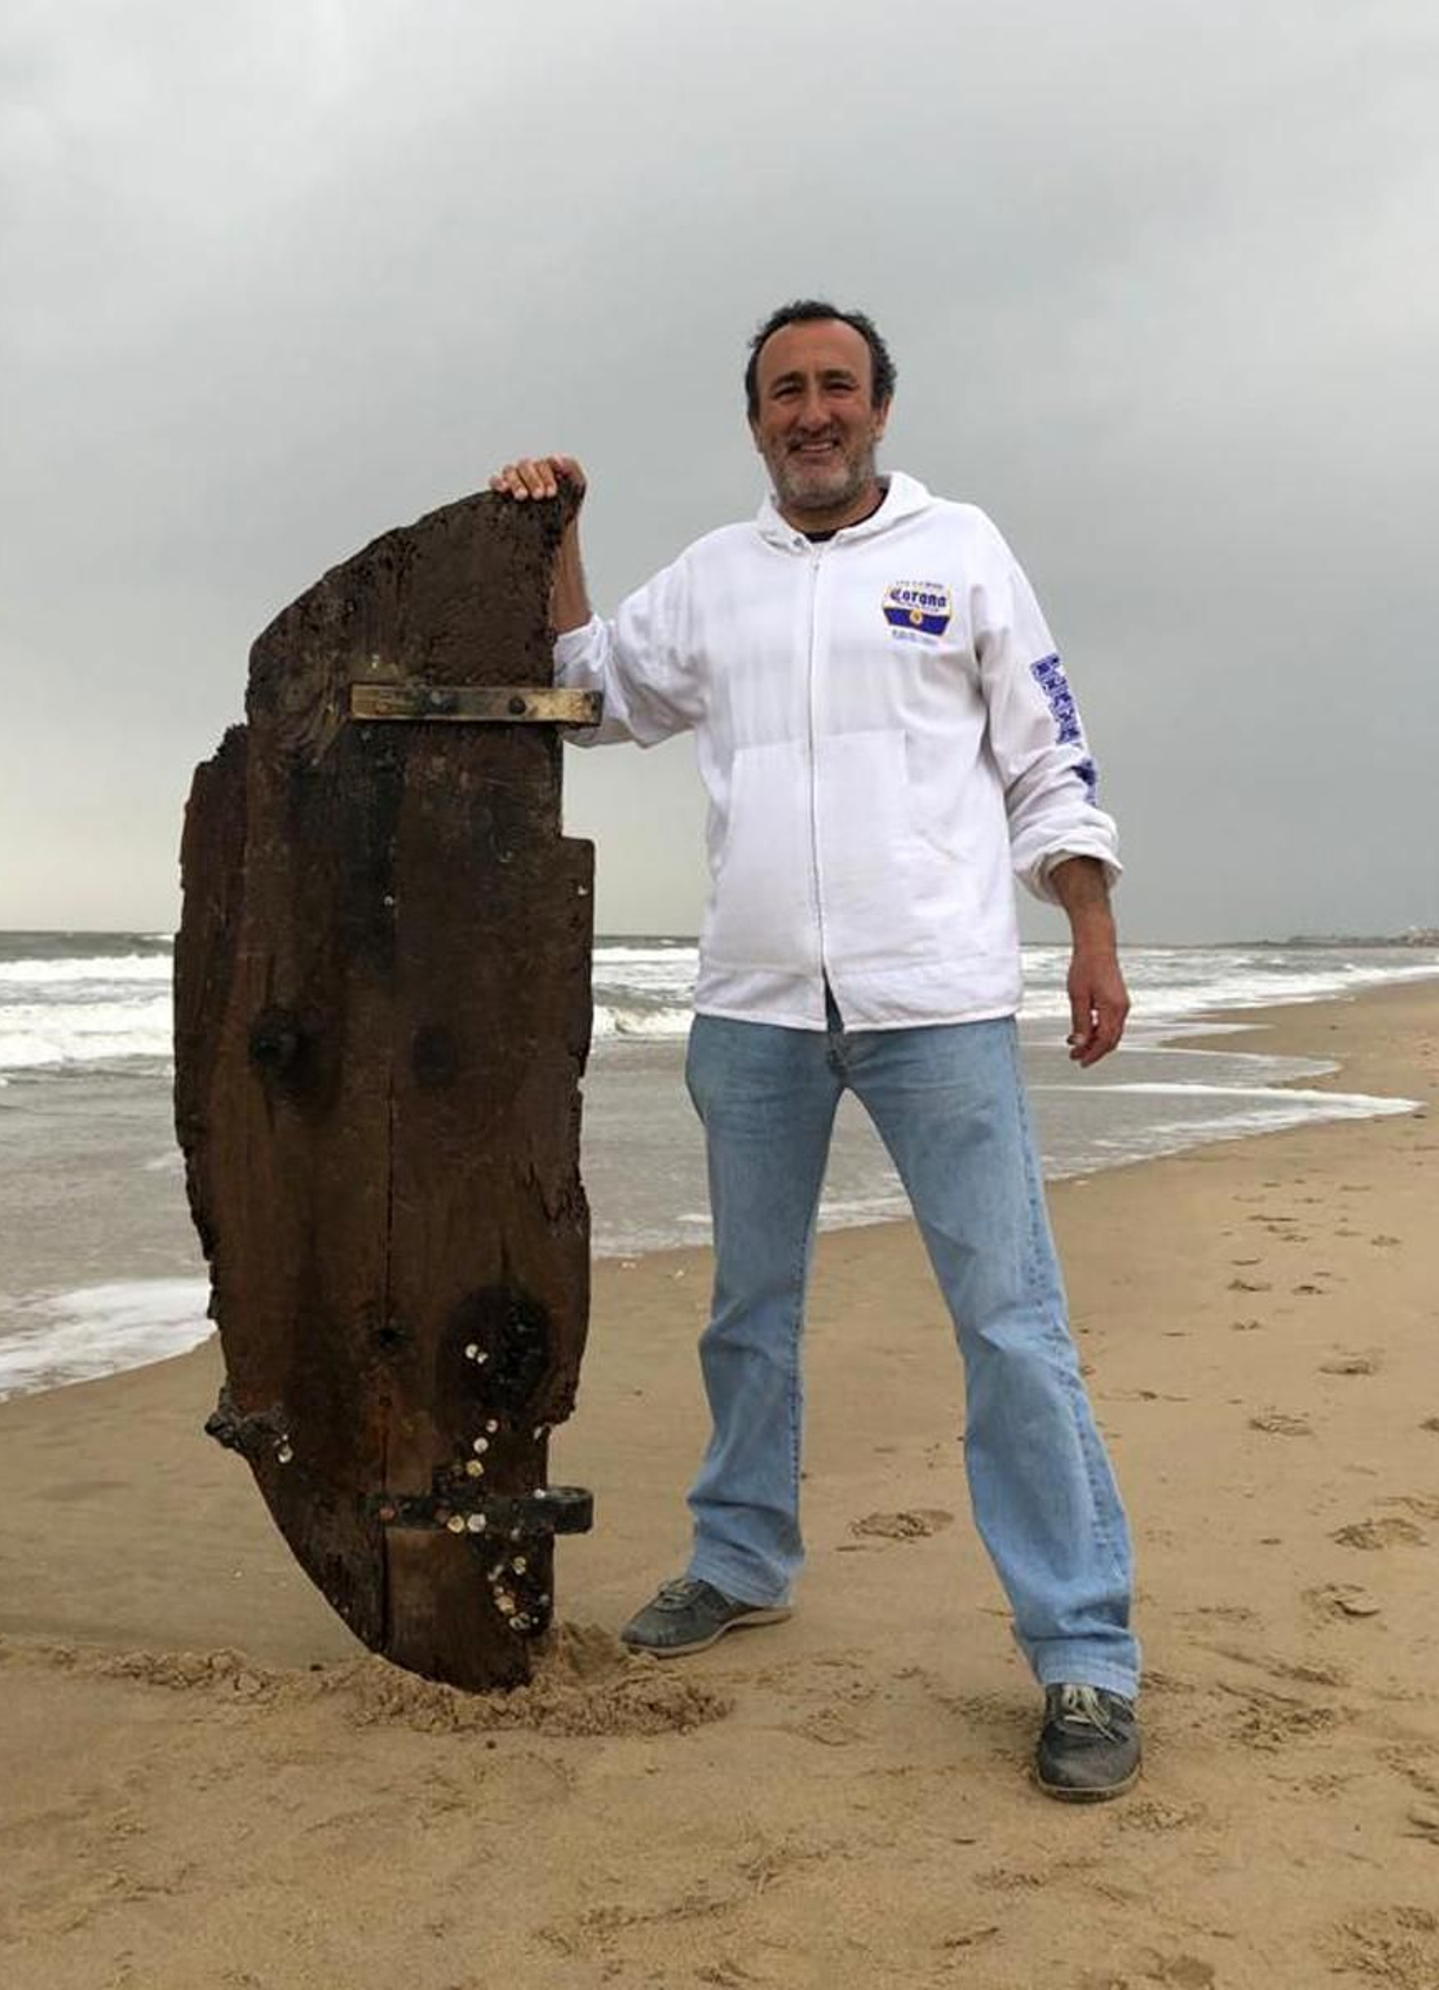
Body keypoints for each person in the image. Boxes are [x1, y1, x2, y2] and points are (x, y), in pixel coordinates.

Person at [490, 299, 1141, 1801]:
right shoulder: (717, 577)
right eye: (785, 391)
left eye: (836, 385)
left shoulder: (961, 552)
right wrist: (558, 530)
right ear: (756, 421)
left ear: (881, 407)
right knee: (748, 1312)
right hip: (757, 1008)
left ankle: (1084, 1650)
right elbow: (590, 691)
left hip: (937, 1006)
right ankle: (740, 1558)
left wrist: (1091, 929)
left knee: (1011, 1326)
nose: (812, 412)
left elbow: (1048, 756)